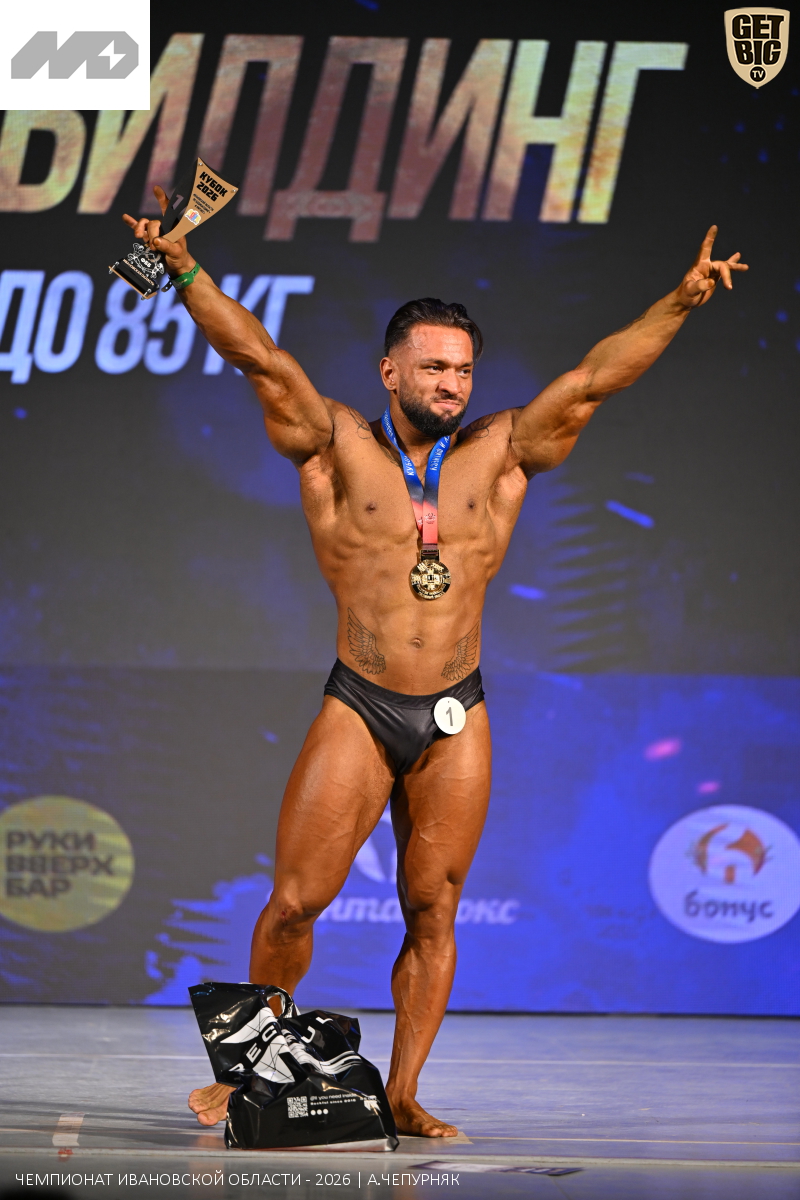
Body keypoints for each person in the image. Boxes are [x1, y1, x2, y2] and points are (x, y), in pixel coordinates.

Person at [123, 193, 746, 1136]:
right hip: (361, 702)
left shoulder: (501, 453)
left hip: (457, 711)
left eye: (462, 369)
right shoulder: (336, 445)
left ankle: (403, 1091)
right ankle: (250, 1072)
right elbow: (259, 357)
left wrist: (682, 300)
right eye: (433, 367)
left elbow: (592, 381)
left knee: (433, 910)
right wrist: (182, 268)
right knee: (293, 904)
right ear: (391, 370)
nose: (452, 384)